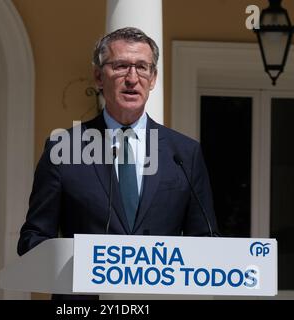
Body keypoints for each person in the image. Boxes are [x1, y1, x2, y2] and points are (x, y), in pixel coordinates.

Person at [17, 27, 219, 299]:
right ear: (99, 77)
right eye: (121, 66)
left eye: (142, 67)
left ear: (153, 78)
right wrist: (80, 266)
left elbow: (205, 241)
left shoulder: (184, 152)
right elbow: (33, 238)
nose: (132, 78)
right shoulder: (63, 148)